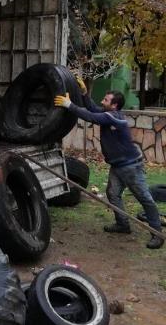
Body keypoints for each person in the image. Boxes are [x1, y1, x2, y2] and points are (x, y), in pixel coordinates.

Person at [54, 81, 164, 249]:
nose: (102, 102)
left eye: (105, 100)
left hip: (131, 166)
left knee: (145, 198)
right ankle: (122, 224)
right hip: (118, 166)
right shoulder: (109, 114)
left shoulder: (114, 117)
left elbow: (90, 116)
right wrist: (84, 93)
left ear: (114, 105)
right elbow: (92, 109)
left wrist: (69, 104)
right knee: (113, 194)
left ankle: (157, 233)